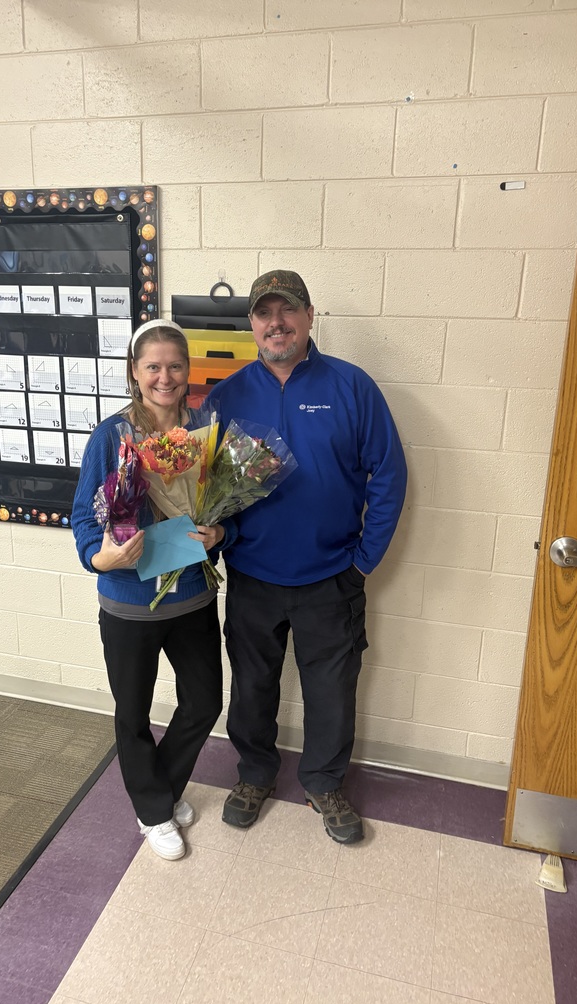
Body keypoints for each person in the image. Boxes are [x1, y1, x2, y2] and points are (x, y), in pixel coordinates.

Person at [209, 270, 407, 844]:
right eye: (265, 313)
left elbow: (389, 476)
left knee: (332, 690)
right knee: (251, 686)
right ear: (251, 324)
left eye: (287, 311)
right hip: (252, 574)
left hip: (331, 577)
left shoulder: (351, 387)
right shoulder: (227, 395)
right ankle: (254, 775)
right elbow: (201, 490)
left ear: (309, 316)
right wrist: (216, 539)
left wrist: (364, 560)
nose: (277, 322)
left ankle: (323, 782)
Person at [71, 320, 232, 861]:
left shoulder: (206, 429)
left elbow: (222, 507)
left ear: (189, 371)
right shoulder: (111, 437)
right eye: (153, 367)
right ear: (134, 374)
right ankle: (154, 811)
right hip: (128, 603)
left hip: (191, 595)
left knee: (205, 700)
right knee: (133, 713)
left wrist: (219, 532)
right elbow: (83, 522)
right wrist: (104, 558)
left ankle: (158, 789)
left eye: (175, 365)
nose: (165, 377)